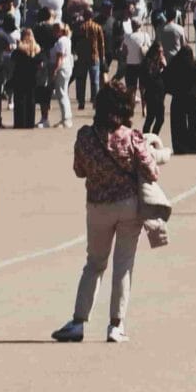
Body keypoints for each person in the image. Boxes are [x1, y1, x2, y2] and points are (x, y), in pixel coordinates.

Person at [52, 83, 162, 344]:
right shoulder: (132, 137)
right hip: (128, 206)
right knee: (123, 266)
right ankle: (116, 325)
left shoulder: (85, 136)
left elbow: (79, 170)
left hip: (98, 206)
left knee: (94, 264)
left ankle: (78, 322)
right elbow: (152, 172)